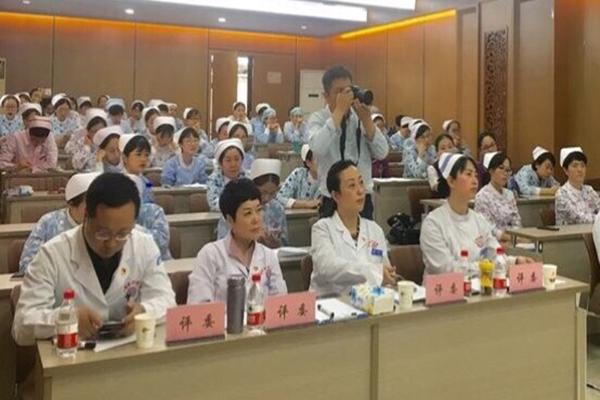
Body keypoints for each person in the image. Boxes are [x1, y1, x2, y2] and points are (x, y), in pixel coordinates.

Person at [12, 173, 176, 346]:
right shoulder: (52, 254)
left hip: (129, 352)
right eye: (102, 233)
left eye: (122, 234)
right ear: (85, 216)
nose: (112, 243)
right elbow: (22, 326)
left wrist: (145, 311)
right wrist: (66, 318)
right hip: (71, 357)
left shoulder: (144, 245)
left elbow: (167, 300)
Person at [420, 153, 533, 275]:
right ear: (451, 181)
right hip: (448, 286)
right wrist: (488, 267)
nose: (475, 181)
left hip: (481, 283)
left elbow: (495, 253)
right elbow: (445, 268)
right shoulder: (433, 223)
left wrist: (514, 261)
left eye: (475, 175)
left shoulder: (479, 220)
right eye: (468, 174)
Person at [187, 179, 287, 304]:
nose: (256, 219)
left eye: (258, 210)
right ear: (230, 220)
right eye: (248, 213)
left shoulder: (269, 256)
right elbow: (199, 305)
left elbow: (280, 303)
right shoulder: (210, 255)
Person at [309, 65, 389, 220]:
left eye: (348, 90)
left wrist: (367, 121)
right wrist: (339, 112)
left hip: (361, 197)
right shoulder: (318, 119)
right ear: (326, 96)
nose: (346, 96)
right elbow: (318, 148)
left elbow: (382, 152)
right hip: (332, 198)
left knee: (364, 235)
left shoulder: (360, 117)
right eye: (339, 91)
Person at [310, 160, 395, 296]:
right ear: (335, 195)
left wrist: (386, 278)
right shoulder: (322, 229)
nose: (360, 191)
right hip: (331, 304)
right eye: (352, 185)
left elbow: (384, 272)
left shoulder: (375, 230)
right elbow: (329, 268)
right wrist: (372, 272)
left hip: (370, 302)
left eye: (361, 183)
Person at [19, 173, 100, 272]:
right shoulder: (48, 223)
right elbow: (27, 265)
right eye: (90, 206)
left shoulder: (104, 226)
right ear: (71, 204)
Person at [474, 152, 521, 242]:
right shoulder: (482, 196)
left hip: (514, 240)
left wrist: (518, 237)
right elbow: (488, 229)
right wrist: (514, 239)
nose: (505, 173)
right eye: (501, 168)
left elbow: (517, 221)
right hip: (492, 242)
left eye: (508, 170)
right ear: (491, 171)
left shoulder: (509, 194)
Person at [555, 147, 600, 225]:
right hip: (569, 232)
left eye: (582, 165)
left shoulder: (589, 190)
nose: (580, 170)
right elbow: (579, 218)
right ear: (565, 170)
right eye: (575, 166)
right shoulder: (561, 194)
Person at [207, 139, 246, 211]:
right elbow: (214, 204)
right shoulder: (213, 180)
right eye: (228, 160)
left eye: (237, 159)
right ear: (220, 163)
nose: (233, 164)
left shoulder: (247, 179)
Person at [276, 144, 320, 209]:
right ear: (308, 163)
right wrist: (306, 204)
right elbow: (280, 198)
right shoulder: (298, 175)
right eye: (318, 159)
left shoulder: (329, 177)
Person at [120, 134, 154, 203]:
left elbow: (151, 200)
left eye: (146, 155)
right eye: (138, 154)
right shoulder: (117, 182)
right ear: (125, 157)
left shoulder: (147, 182)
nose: (143, 159)